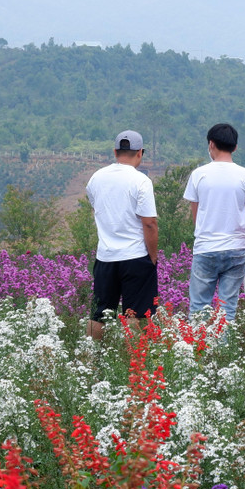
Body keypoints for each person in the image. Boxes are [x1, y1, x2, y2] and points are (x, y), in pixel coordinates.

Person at [86, 129, 158, 340]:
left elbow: (96, 206)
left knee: (99, 314)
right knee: (135, 313)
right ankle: (133, 356)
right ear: (140, 153)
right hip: (135, 256)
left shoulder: (96, 178)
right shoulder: (141, 181)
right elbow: (149, 224)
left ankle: (91, 354)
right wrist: (152, 257)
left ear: (115, 152)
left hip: (105, 256)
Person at [183, 123, 245, 322]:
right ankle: (224, 342)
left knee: (199, 308)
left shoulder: (199, 174)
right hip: (237, 248)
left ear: (211, 144)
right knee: (227, 309)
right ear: (235, 147)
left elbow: (196, 215)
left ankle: (199, 342)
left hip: (206, 247)